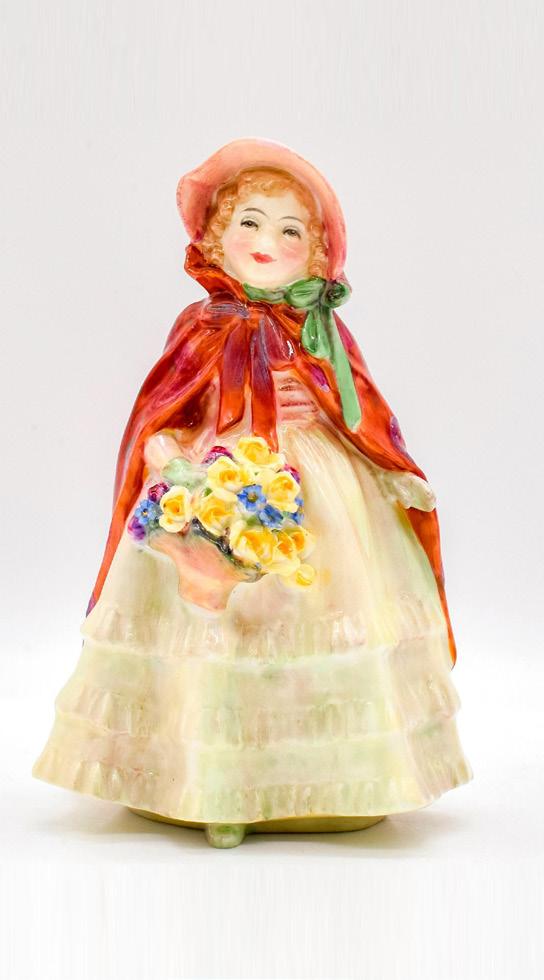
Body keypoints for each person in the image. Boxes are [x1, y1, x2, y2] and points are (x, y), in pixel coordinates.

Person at [32, 139, 472, 848]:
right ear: (217, 235)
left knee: (323, 604)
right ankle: (206, 782)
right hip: (218, 478)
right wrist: (170, 458)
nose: (268, 241)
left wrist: (389, 466)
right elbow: (162, 410)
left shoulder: (319, 329)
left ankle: (328, 782)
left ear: (318, 254)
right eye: (251, 222)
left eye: (291, 230)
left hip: (317, 490)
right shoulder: (201, 327)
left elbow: (360, 411)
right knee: (210, 622)